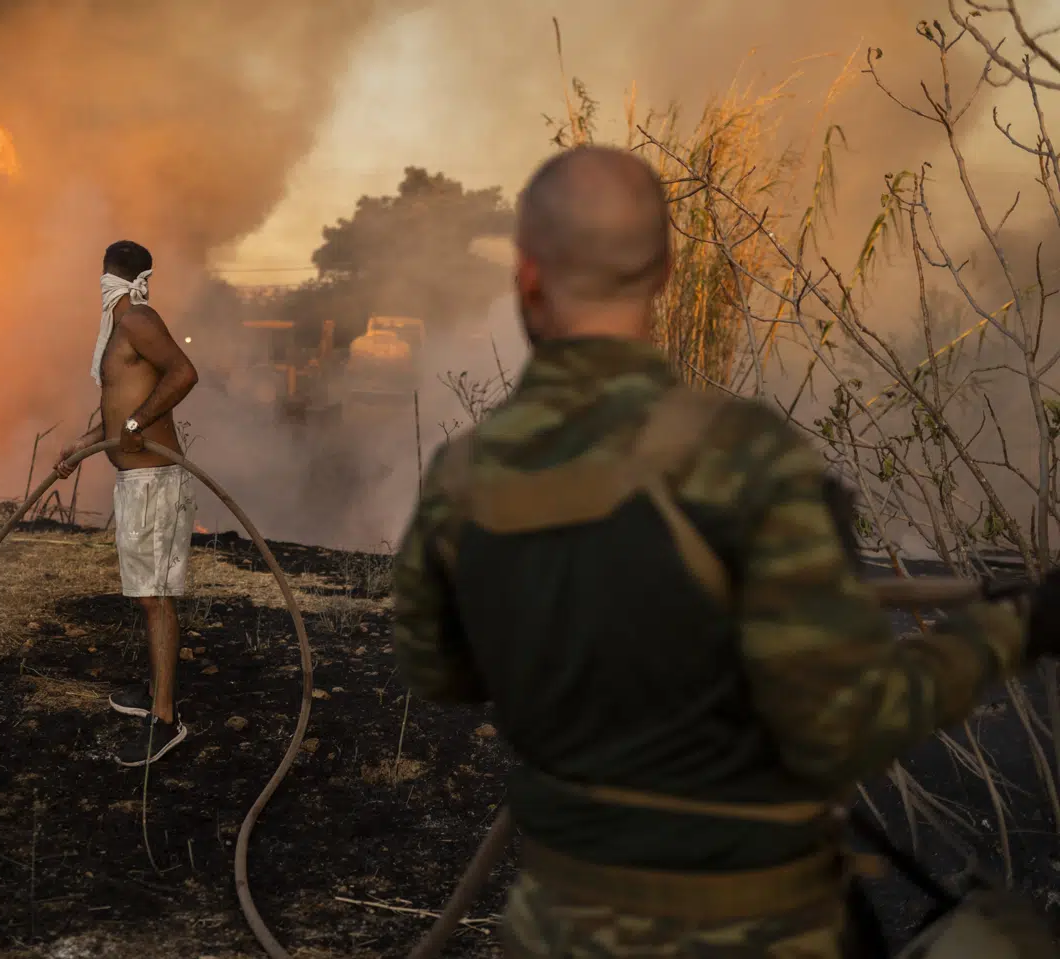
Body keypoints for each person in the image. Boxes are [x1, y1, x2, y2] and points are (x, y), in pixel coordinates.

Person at [389, 144, 1060, 958]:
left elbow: (440, 671)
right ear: (666, 270)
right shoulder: (747, 456)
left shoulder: (463, 476)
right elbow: (843, 726)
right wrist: (1012, 627)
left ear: (527, 276)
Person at [55, 240, 199, 767]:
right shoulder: (121, 328)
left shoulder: (137, 318)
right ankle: (154, 694)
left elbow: (184, 373)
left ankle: (166, 721)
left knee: (157, 598)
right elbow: (121, 407)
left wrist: (136, 426)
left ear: (106, 277)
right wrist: (84, 443)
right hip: (138, 483)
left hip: (156, 480)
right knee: (147, 595)